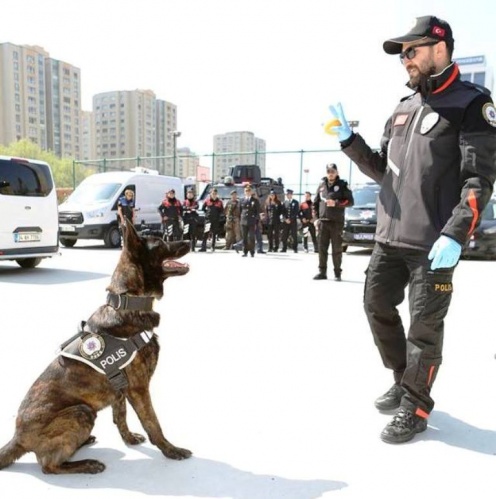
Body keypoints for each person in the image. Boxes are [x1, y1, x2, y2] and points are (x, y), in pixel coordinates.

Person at [328, 15, 496, 444]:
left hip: (432, 243)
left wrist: (456, 234)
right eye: (402, 54)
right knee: (376, 308)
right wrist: (351, 141)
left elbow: (479, 180)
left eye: (411, 50)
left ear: (439, 47)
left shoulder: (472, 104)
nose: (405, 59)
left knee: (424, 328)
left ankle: (416, 405)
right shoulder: (402, 108)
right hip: (389, 238)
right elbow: (385, 171)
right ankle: (405, 379)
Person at [313, 164, 354, 281]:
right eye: (328, 171)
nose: (330, 173)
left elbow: (350, 202)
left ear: (337, 172)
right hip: (323, 223)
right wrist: (316, 219)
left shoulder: (343, 185)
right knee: (322, 249)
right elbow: (315, 204)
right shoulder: (321, 186)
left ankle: (337, 273)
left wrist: (336, 203)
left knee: (336, 249)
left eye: (333, 171)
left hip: (336, 223)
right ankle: (322, 272)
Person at [239, 184, 260, 257]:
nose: (247, 192)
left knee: (251, 237)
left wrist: (256, 222)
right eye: (246, 191)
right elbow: (240, 211)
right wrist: (240, 220)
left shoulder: (255, 200)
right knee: (244, 237)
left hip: (252, 221)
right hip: (243, 221)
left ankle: (252, 251)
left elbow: (257, 212)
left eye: (249, 191)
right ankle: (245, 251)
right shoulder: (241, 200)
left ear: (251, 192)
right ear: (244, 192)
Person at [281, 189, 299, 253]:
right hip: (286, 222)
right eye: (288, 194)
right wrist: (285, 219)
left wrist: (290, 219)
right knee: (284, 235)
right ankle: (284, 248)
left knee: (294, 235)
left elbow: (296, 212)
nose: (289, 195)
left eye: (290, 194)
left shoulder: (296, 202)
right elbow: (282, 212)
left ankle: (295, 248)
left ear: (292, 195)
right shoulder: (284, 202)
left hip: (293, 222)